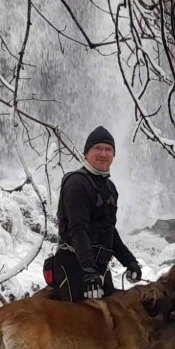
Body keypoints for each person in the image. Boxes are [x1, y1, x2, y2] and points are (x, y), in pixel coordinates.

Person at [54, 125, 142, 302]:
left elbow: (109, 230)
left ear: (114, 155)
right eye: (98, 148)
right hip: (73, 264)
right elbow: (78, 229)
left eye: (108, 149)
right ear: (86, 153)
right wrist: (88, 272)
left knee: (110, 324)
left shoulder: (110, 188)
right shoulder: (76, 183)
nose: (103, 154)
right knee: (82, 325)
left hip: (99, 267)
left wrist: (129, 261)